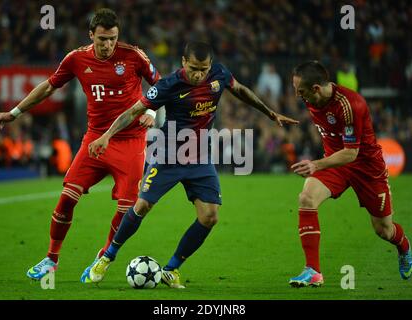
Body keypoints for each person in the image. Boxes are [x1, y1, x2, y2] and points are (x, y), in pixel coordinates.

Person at [86, 41, 299, 288]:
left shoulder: (219, 74)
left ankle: (171, 269)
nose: (199, 74)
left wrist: (270, 113)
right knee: (143, 205)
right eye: (194, 68)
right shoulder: (169, 85)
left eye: (204, 69)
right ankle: (108, 256)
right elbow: (133, 112)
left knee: (210, 216)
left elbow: (239, 89)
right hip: (168, 154)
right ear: (184, 62)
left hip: (199, 157)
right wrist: (106, 136)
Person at [0, 8, 160, 282]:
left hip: (130, 142)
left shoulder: (133, 56)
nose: (108, 45)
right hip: (95, 140)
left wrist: (151, 112)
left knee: (126, 210)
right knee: (67, 197)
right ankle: (51, 259)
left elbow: (159, 85)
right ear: (91, 35)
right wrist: (15, 113)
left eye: (113, 38)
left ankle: (103, 258)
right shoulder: (76, 59)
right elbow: (48, 87)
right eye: (103, 39)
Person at [289, 61, 412, 287]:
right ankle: (313, 271)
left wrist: (316, 164)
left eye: (301, 91)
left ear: (316, 88)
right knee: (306, 198)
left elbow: (351, 153)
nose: (298, 95)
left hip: (366, 167)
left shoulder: (351, 105)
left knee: (384, 230)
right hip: (336, 165)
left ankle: (403, 246)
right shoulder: (312, 99)